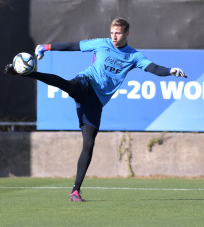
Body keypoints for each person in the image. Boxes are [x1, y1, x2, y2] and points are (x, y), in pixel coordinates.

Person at [4, 18, 187, 202]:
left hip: (96, 102)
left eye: (118, 33)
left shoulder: (133, 56)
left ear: (127, 34)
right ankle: (27, 73)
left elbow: (153, 68)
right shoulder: (102, 44)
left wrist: (170, 71)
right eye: (112, 33)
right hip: (86, 82)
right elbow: (74, 46)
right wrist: (47, 47)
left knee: (89, 145)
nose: (114, 37)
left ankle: (75, 191)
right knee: (67, 85)